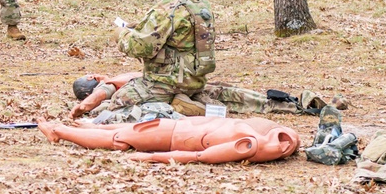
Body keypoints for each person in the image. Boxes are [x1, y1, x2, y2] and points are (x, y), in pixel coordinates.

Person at [74, 0, 217, 113]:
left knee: (117, 105)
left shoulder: (169, 6)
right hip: (194, 81)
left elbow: (141, 47)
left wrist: (121, 35)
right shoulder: (199, 1)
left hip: (166, 85)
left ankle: (175, 110)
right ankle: (182, 102)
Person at [36, 116, 300, 164]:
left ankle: (59, 130)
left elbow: (200, 156)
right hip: (173, 129)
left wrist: (151, 157)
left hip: (173, 131)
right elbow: (200, 156)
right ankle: (61, 130)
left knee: (119, 138)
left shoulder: (249, 139)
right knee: (120, 136)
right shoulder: (250, 141)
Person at [70, 72, 334, 119]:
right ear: (93, 79)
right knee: (230, 95)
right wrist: (82, 108)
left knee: (224, 98)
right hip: (175, 86)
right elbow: (99, 95)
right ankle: (295, 105)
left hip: (172, 91)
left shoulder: (118, 88)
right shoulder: (112, 84)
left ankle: (293, 106)